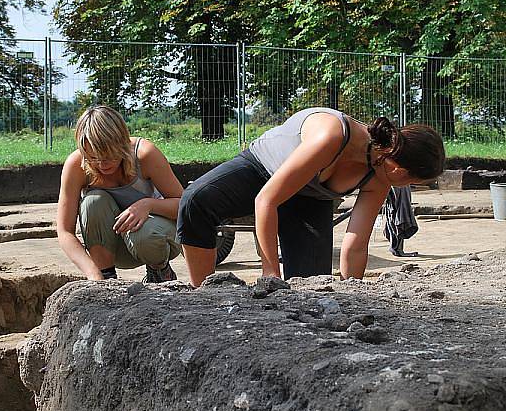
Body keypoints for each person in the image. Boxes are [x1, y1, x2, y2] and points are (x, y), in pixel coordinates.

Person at [177, 107, 445, 286]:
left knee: (310, 286)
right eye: (411, 182)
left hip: (310, 198)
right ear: (399, 168)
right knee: (196, 201)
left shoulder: (380, 176)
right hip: (264, 169)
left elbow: (356, 244)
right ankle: (205, 292)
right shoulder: (332, 136)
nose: (406, 187)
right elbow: (266, 200)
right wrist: (270, 274)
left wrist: (353, 291)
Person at [57, 105, 183, 282]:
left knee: (144, 233)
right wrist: (93, 274)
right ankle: (107, 278)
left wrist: (148, 204)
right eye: (93, 158)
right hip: (114, 247)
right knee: (93, 201)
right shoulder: (76, 165)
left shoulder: (145, 154)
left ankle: (160, 272)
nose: (101, 164)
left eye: (108, 156)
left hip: (156, 241)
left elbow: (184, 206)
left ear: (121, 143)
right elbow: (64, 232)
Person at [383, 185, 419, 257]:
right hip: (396, 198)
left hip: (401, 193)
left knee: (398, 220)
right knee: (398, 221)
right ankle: (397, 249)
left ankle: (397, 248)